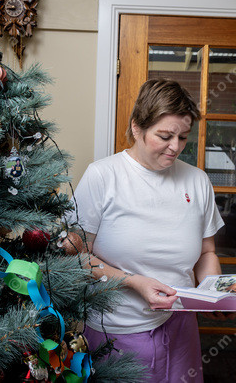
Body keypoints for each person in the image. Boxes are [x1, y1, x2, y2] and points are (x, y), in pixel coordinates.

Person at [68, 79, 226, 382]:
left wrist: (214, 293)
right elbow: (76, 257)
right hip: (116, 331)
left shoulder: (198, 180)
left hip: (181, 328)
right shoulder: (102, 176)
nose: (175, 147)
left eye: (183, 137)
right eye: (164, 136)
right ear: (137, 127)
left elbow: (207, 252)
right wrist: (133, 282)